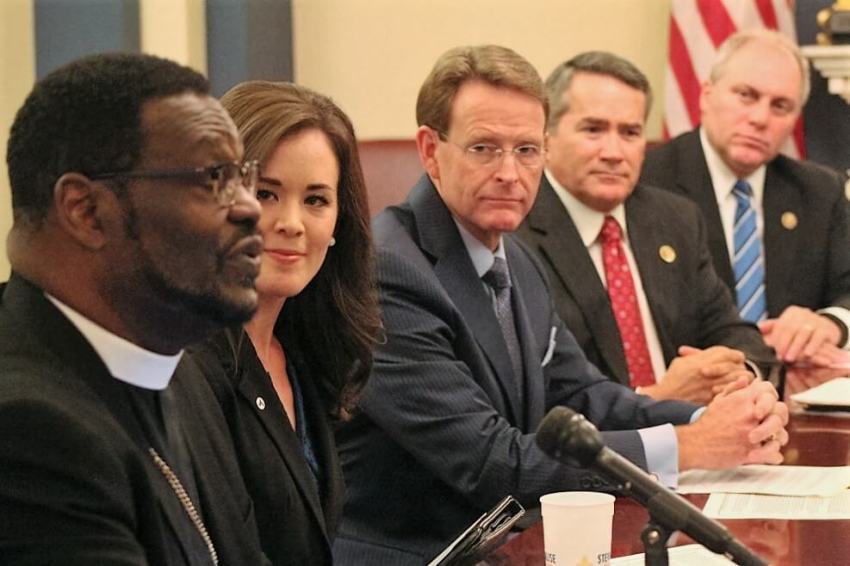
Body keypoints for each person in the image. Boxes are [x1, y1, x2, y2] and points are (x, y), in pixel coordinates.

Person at [333, 44, 789, 564]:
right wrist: (690, 445)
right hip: (423, 553)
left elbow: (584, 395)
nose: (510, 172)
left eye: (527, 150)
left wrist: (717, 419)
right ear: (430, 150)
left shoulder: (517, 260)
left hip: (514, 544)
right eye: (484, 148)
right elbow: (491, 460)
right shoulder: (389, 271)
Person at [0, 54, 269, 564]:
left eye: (242, 175)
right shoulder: (28, 432)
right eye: (214, 177)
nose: (250, 206)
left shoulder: (183, 372)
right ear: (87, 211)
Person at [187, 81, 380, 566]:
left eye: (316, 200)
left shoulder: (306, 350)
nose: (291, 222)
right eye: (265, 194)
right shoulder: (183, 361)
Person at [516, 51, 775, 405]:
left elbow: (731, 332)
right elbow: (530, 396)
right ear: (547, 137)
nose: (614, 152)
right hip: (593, 451)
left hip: (699, 438)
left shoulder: (675, 219)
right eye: (593, 129)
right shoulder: (514, 234)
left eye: (630, 133)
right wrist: (653, 400)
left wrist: (739, 374)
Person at [641, 29, 850, 366]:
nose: (760, 118)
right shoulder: (647, 182)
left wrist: (831, 322)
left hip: (793, 386)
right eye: (746, 96)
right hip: (688, 388)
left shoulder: (819, 191)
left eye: (780, 106)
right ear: (706, 95)